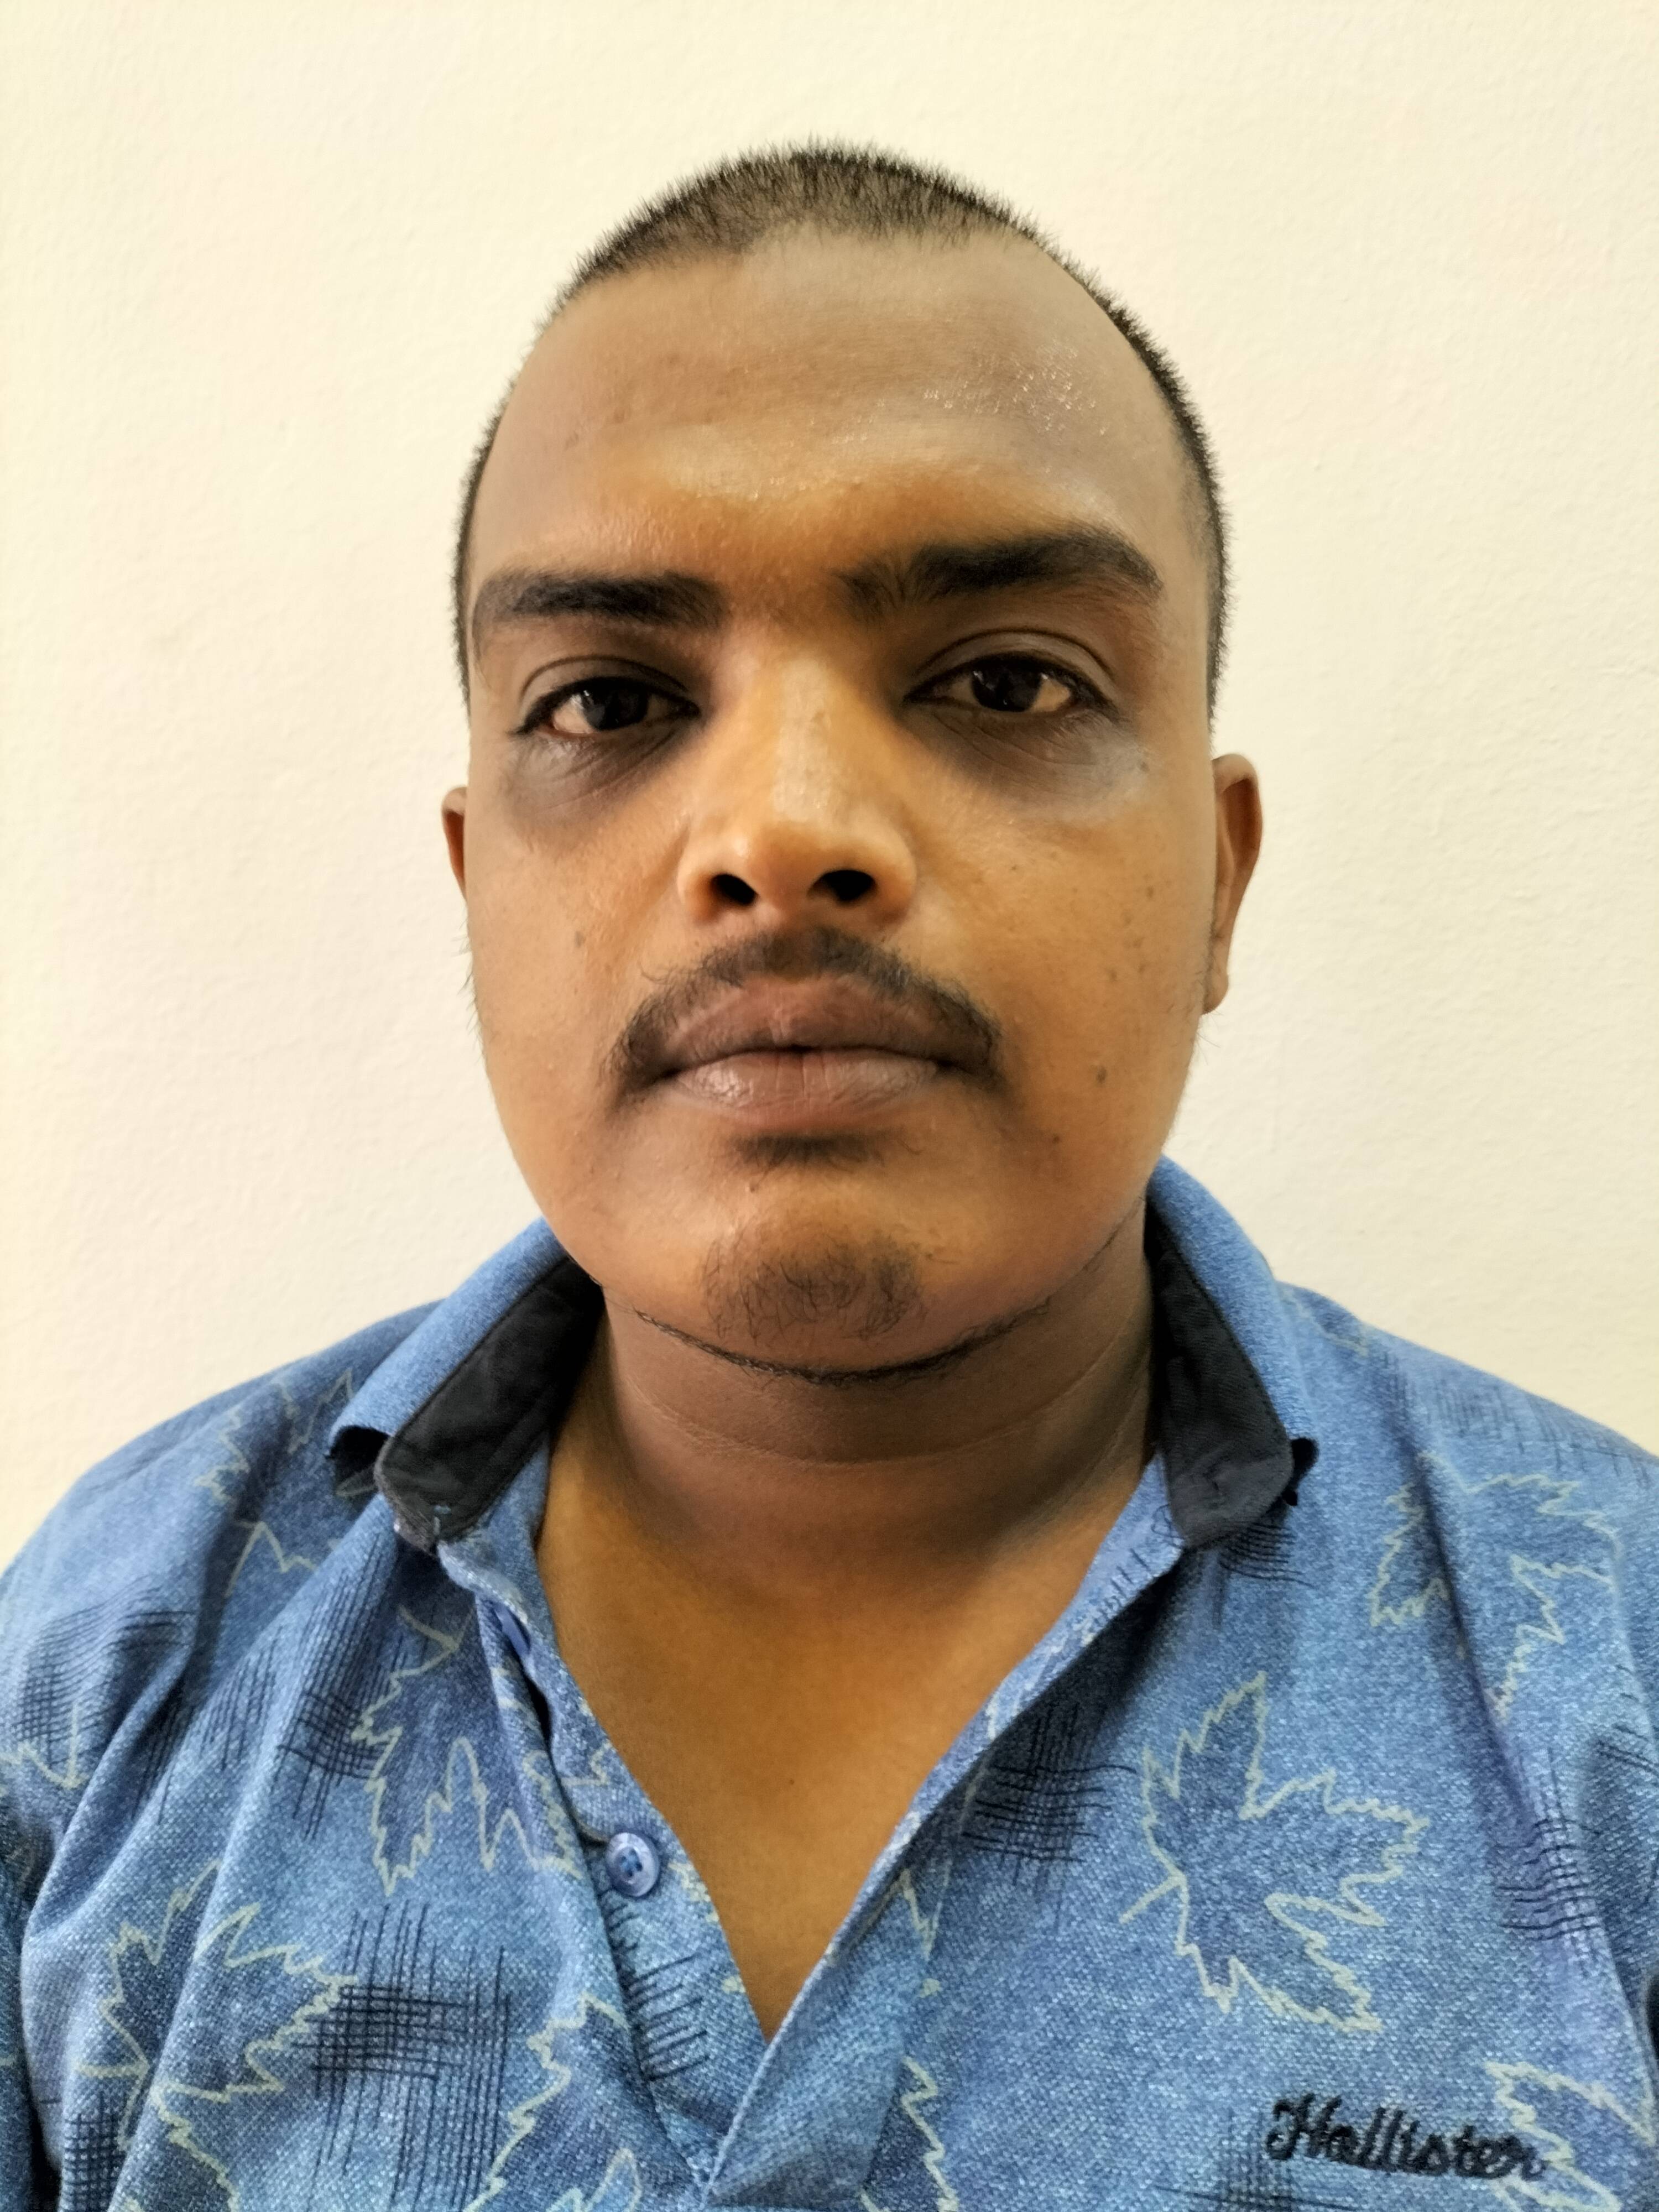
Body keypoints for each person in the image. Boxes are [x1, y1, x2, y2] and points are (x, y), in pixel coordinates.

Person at [3, 144, 1654, 2211]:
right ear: (476, 892)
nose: (782, 830)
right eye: (611, 702)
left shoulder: (1615, 1680)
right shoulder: (110, 1668)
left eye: (1007, 682)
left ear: (1217, 881)